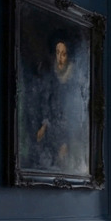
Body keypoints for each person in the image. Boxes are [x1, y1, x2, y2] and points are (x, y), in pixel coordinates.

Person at [25, 33, 88, 174]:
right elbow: (46, 103)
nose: (60, 58)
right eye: (58, 53)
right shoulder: (50, 76)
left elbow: (76, 115)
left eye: (64, 54)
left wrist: (65, 141)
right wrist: (44, 125)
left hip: (67, 132)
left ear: (69, 56)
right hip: (51, 128)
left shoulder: (74, 81)